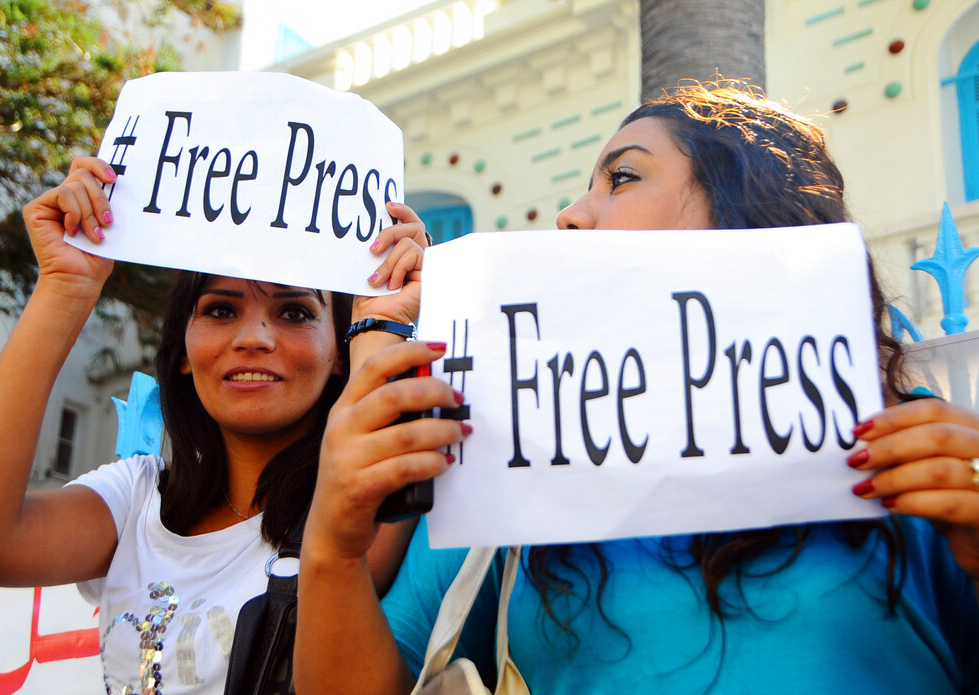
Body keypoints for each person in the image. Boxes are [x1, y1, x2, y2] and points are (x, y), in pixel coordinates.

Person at [293, 81, 979, 694]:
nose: (568, 215)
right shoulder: (509, 477)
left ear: (748, 209)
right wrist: (332, 551)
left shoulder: (909, 456)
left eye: (620, 177)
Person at [0, 156, 435, 694]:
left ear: (339, 353)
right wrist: (65, 286)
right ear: (182, 350)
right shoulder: (136, 498)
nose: (253, 337)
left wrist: (382, 325)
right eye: (220, 311)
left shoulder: (363, 503)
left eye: (295, 313)